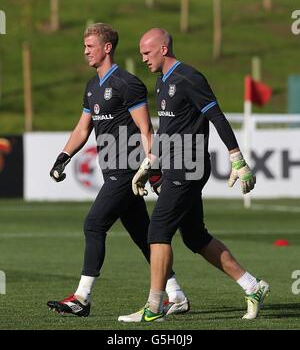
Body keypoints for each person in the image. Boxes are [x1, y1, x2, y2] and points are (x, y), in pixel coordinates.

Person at [119, 28, 270, 323]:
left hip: (189, 167)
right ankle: (252, 286)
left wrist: (236, 157)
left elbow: (217, 117)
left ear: (163, 49)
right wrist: (149, 164)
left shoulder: (189, 77)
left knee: (157, 231)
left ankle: (154, 307)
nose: (143, 58)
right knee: (195, 237)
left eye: (147, 53)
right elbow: (167, 130)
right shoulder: (162, 81)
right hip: (174, 166)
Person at [46, 23, 189, 318]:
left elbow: (146, 128)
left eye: (90, 46)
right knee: (143, 236)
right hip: (111, 169)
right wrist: (64, 156)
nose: (85, 51)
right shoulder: (92, 86)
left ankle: (82, 298)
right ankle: (176, 294)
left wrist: (153, 166)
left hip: (127, 171)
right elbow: (83, 127)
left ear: (107, 47)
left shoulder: (128, 84)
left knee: (93, 224)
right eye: (84, 46)